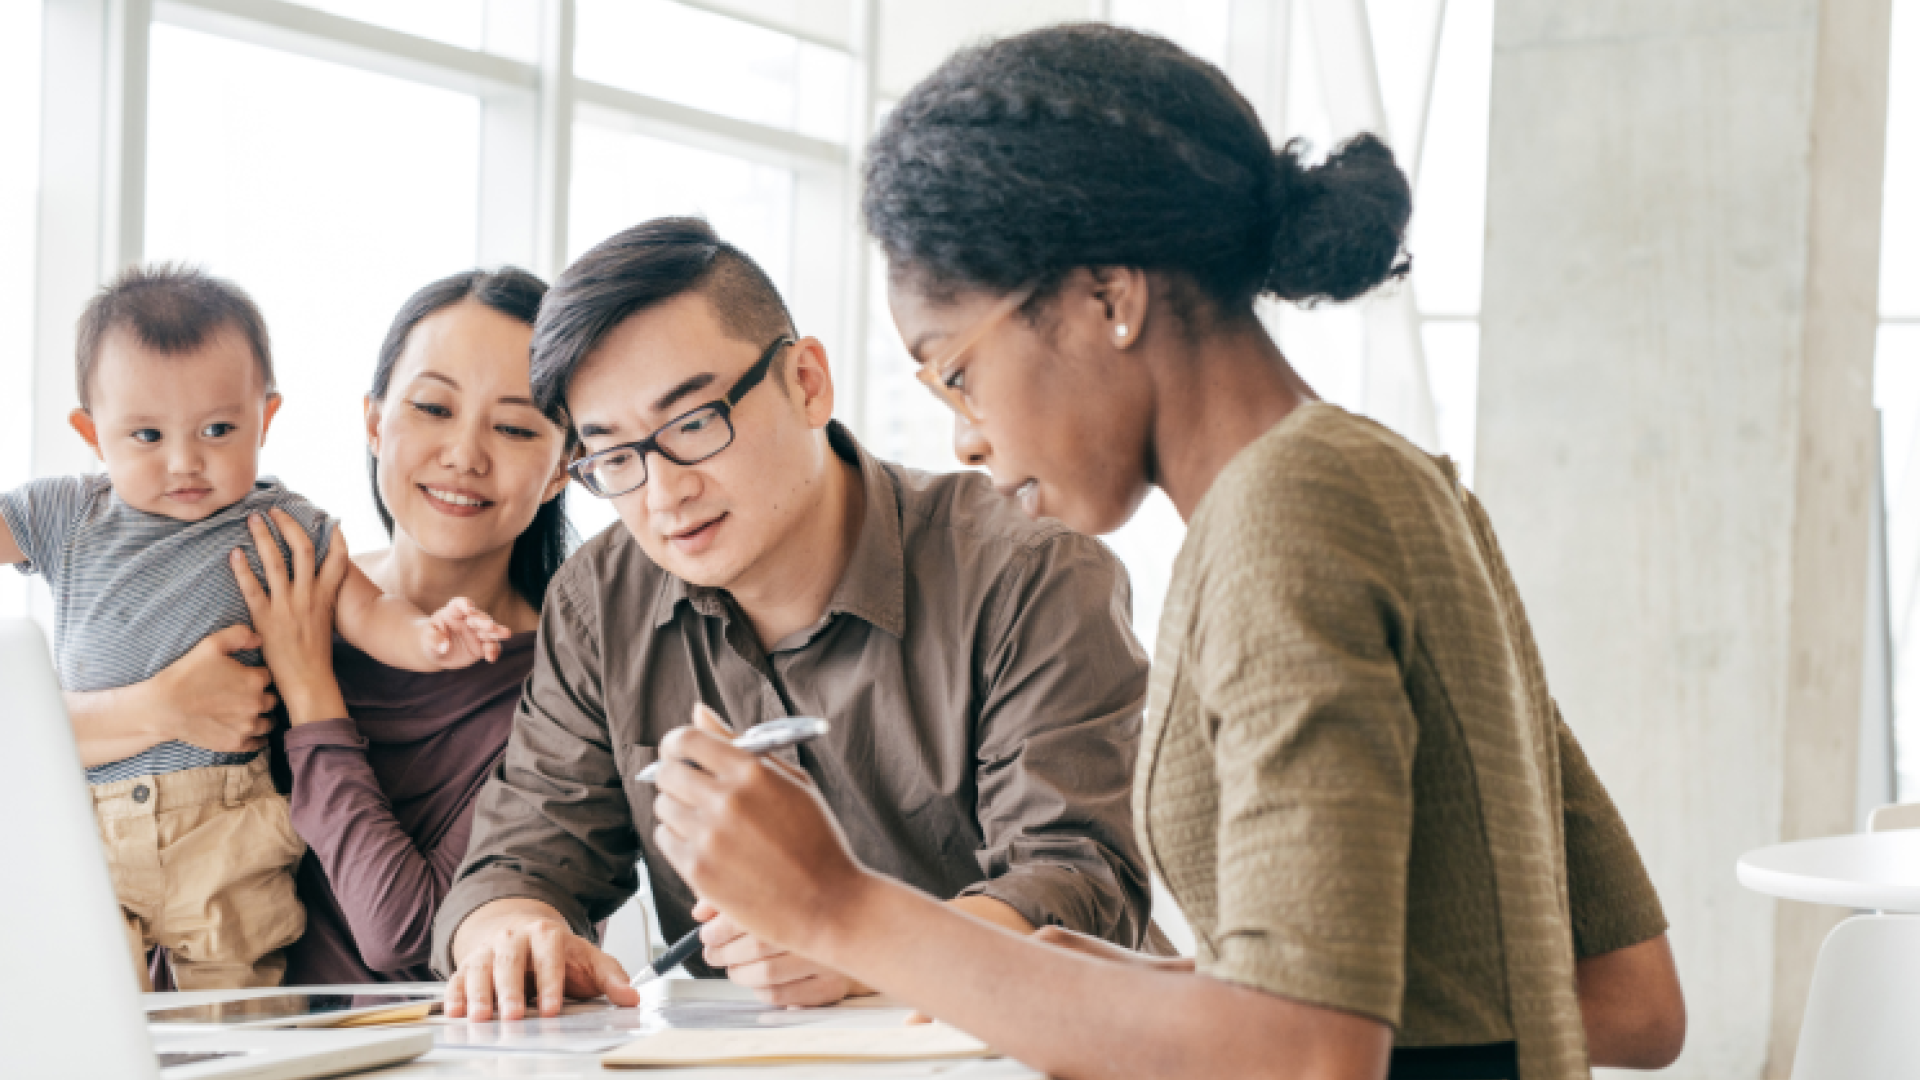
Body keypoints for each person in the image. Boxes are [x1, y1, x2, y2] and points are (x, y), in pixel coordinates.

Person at [641, 24, 1687, 1080]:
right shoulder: (1395, 485)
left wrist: (839, 904)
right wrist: (1139, 990)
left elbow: (1308, 1051)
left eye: (954, 371)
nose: (964, 435)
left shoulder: (1288, 519)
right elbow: (1624, 998)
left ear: (1106, 297)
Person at [433, 217, 1156, 1019]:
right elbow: (516, 864)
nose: (663, 494)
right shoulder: (598, 603)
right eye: (612, 456)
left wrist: (854, 944)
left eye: (696, 424)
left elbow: (1078, 885)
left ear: (808, 382)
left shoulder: (1030, 575)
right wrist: (515, 934)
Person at [0, 266, 508, 991]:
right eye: (146, 435)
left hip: (227, 830)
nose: (186, 462)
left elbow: (367, 611)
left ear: (265, 419)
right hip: (90, 827)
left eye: (219, 430)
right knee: (79, 1008)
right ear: (91, 432)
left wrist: (430, 638)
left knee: (231, 1019)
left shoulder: (282, 524)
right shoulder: (65, 515)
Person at [227, 268, 573, 984]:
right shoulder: (281, 580)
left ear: (564, 466)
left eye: (512, 427)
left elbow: (410, 936)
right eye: (434, 408)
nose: (465, 456)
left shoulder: (565, 687)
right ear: (375, 422)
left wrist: (308, 687)